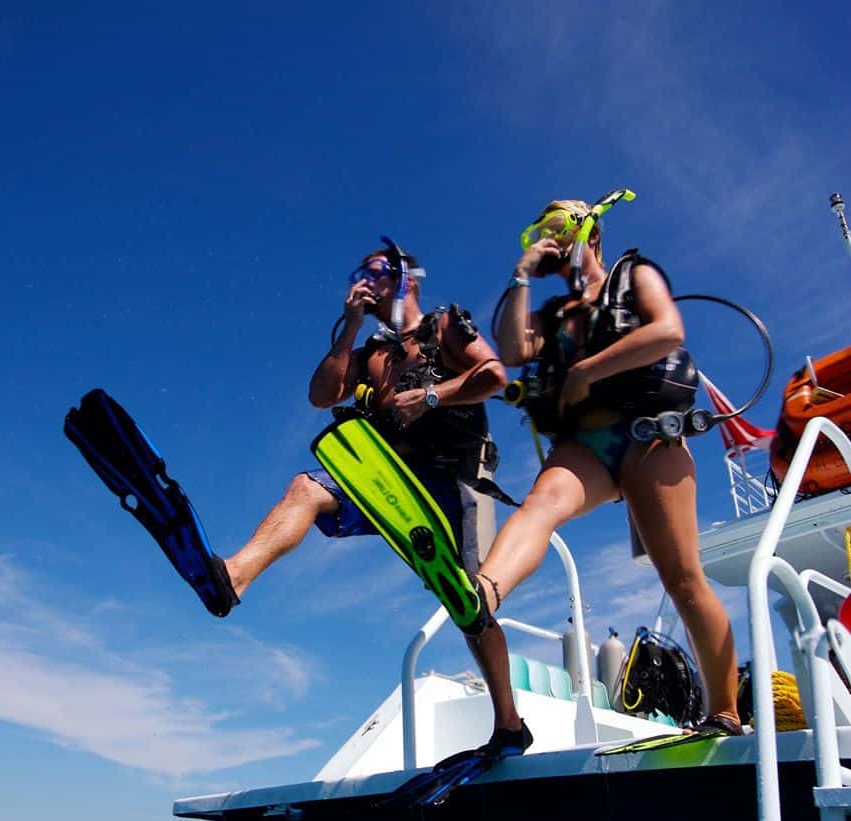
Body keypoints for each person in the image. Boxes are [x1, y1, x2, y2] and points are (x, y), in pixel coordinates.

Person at [463, 199, 741, 740]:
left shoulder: (634, 275)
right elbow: (516, 351)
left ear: (590, 228)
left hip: (648, 437)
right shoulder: (556, 313)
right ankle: (482, 592)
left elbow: (667, 331)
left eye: (560, 223)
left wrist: (589, 369)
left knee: (682, 579)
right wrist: (521, 275)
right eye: (541, 229)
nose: (551, 235)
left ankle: (726, 712)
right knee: (540, 504)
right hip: (585, 446)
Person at [212, 241, 509, 621]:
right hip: (392, 481)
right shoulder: (372, 352)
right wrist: (350, 326)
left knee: (470, 608)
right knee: (306, 487)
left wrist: (431, 397)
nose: (366, 281)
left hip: (452, 481)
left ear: (406, 281)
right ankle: (234, 576)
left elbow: (493, 375)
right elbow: (320, 396)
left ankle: (498, 681)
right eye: (362, 275)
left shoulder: (444, 326)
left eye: (376, 272)